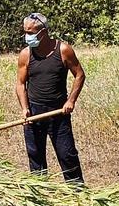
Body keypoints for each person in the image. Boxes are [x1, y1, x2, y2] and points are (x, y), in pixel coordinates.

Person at [15, 12, 85, 182]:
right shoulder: (26, 54)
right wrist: (25, 109)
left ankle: (77, 191)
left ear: (43, 32)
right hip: (34, 112)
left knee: (67, 154)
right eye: (25, 32)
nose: (27, 36)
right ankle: (40, 191)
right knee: (36, 157)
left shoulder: (63, 50)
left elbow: (79, 75)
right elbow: (20, 84)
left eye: (31, 32)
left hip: (58, 111)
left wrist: (71, 101)